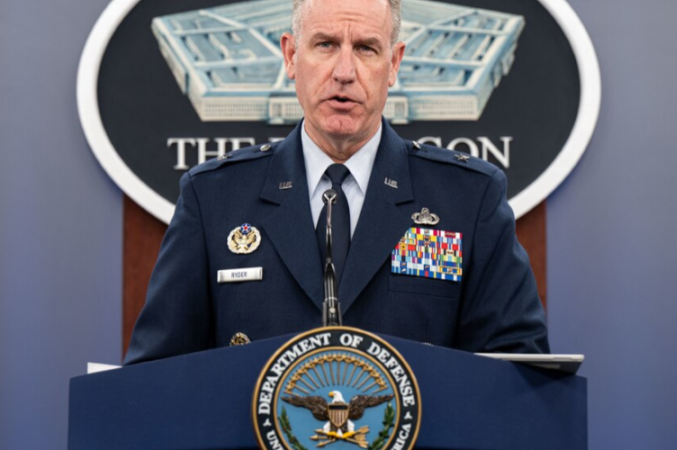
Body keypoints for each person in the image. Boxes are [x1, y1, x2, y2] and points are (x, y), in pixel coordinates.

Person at [124, 0, 549, 365]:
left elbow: (519, 377)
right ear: (291, 56)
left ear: (394, 64)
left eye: (365, 48)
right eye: (325, 44)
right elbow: (155, 378)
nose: (344, 72)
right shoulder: (214, 198)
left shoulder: (467, 199)